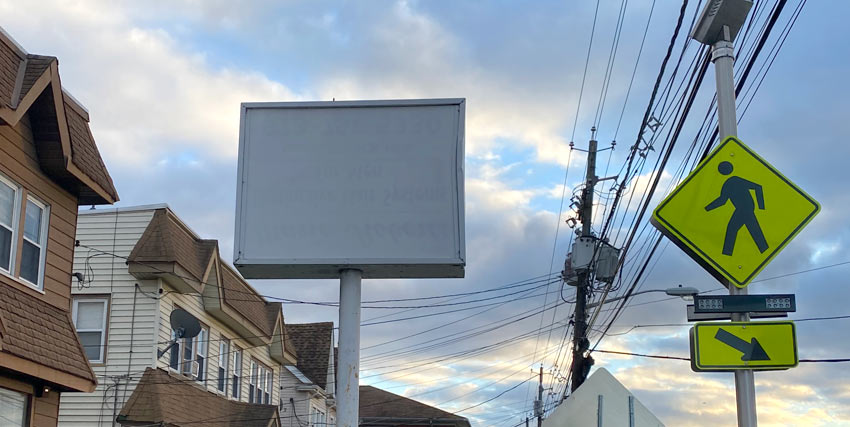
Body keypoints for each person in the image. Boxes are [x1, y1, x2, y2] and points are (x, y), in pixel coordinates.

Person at [705, 161, 768, 255]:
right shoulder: (728, 183)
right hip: (744, 209)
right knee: (753, 230)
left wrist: (761, 207)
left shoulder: (734, 180)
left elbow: (758, 187)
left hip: (744, 208)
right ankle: (764, 249)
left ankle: (727, 254)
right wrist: (706, 208)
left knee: (732, 229)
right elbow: (722, 200)